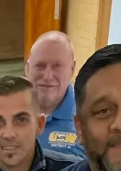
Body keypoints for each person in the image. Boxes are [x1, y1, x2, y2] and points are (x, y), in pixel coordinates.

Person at [25, 31, 86, 159]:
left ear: (72, 68)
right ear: (27, 68)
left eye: (57, 66)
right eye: (40, 66)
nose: (47, 76)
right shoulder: (8, 110)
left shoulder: (88, 116)